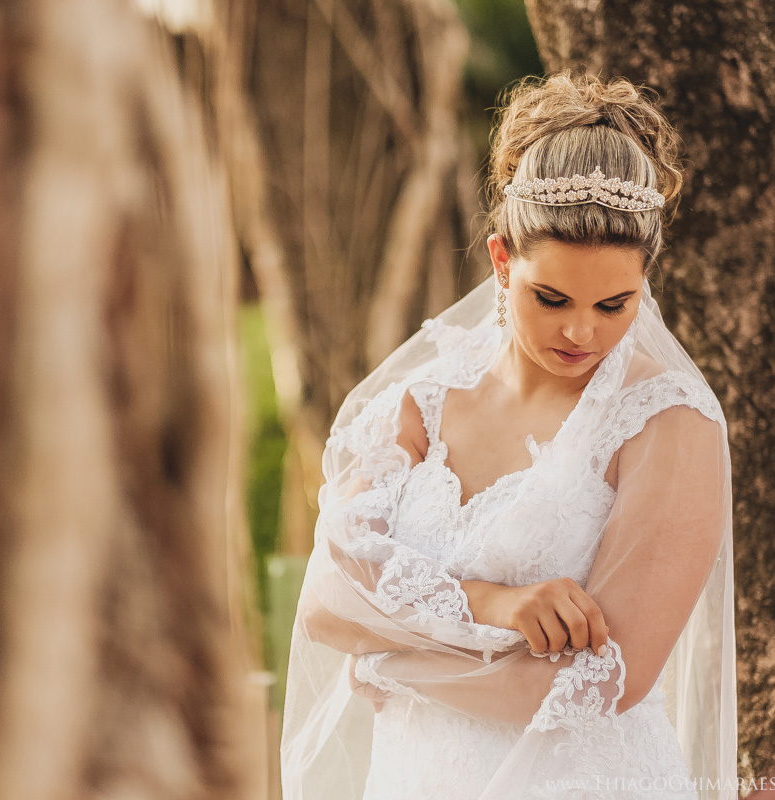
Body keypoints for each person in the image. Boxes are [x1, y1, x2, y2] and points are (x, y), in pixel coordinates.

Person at [280, 70, 738, 800]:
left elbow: (603, 679)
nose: (582, 332)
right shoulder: (423, 405)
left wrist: (388, 659)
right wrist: (489, 602)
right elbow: (326, 603)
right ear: (501, 261)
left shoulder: (666, 421)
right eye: (551, 298)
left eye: (614, 304)